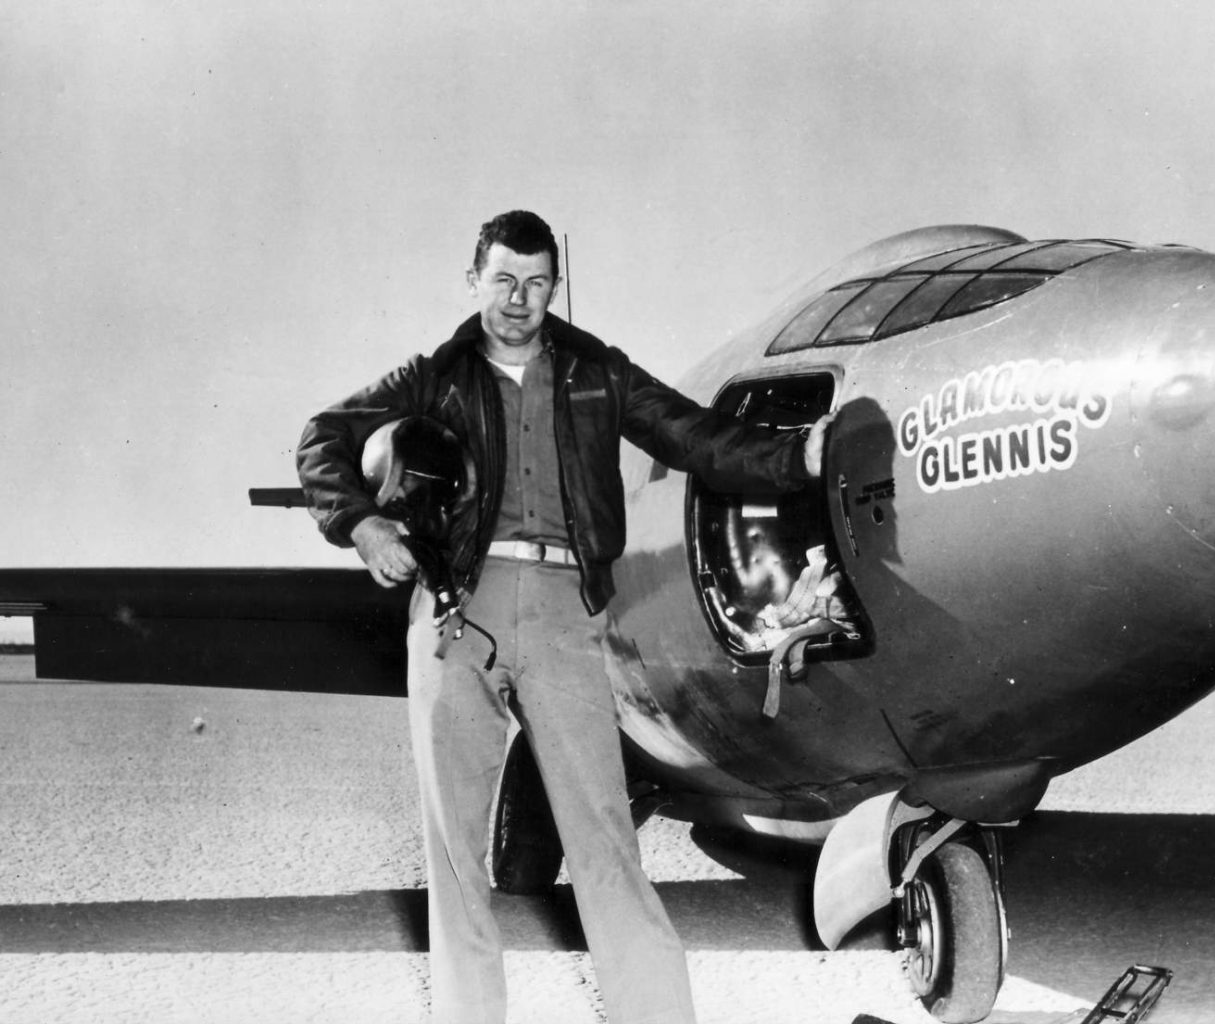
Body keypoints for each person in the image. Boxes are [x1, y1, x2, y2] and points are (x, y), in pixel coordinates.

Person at [297, 210, 830, 1024]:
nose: (519, 299)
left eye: (537, 282)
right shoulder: (434, 375)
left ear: (555, 285)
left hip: (562, 616)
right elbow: (322, 439)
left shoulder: (596, 372)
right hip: (453, 616)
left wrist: (798, 459)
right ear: (473, 279)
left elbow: (698, 438)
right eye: (504, 280)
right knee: (454, 855)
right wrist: (362, 524)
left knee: (604, 843)